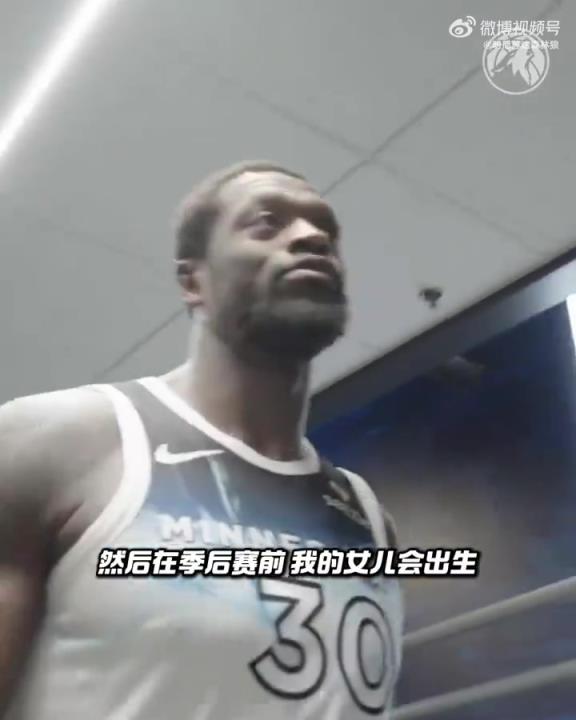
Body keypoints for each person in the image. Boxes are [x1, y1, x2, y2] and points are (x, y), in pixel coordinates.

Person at [0, 161, 404, 719]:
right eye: (267, 223)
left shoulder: (369, 518)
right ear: (194, 282)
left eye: (325, 231)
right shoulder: (56, 442)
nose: (312, 237)